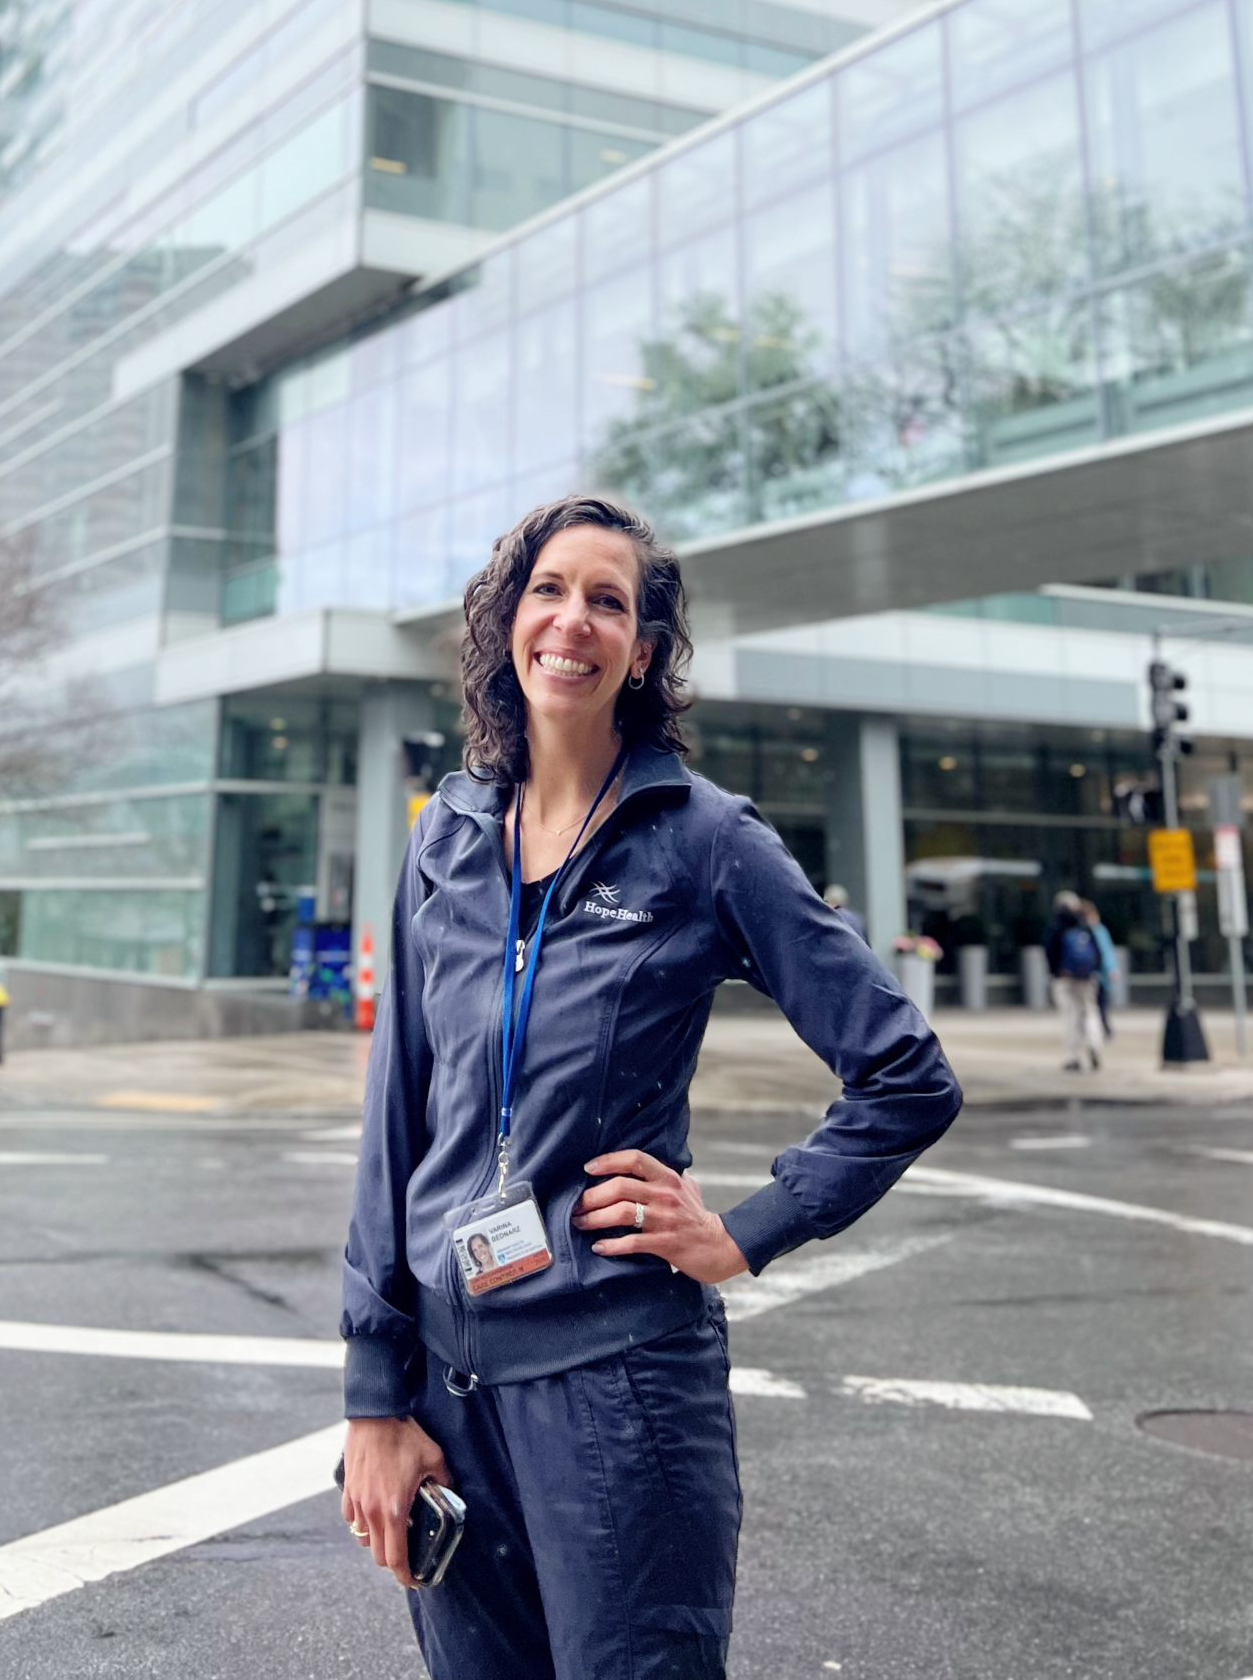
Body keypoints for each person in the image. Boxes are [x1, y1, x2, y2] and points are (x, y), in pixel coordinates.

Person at [339, 495, 962, 1679]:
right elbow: (394, 1126)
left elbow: (903, 1075)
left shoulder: (705, 841)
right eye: (548, 589)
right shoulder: (447, 840)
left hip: (619, 1395)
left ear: (641, 649)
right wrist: (377, 1398)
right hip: (450, 1395)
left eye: (608, 601)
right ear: (505, 620)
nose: (571, 621)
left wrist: (741, 1231)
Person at [1047, 890, 1103, 1072]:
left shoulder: (1056, 926)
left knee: (1070, 1015)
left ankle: (1073, 1056)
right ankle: (1095, 1045)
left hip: (1065, 978)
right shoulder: (1084, 926)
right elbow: (1097, 952)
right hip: (1087, 977)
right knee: (1090, 1012)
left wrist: (1055, 972)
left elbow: (1050, 952)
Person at [1080, 899, 1116, 1042]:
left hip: (1088, 975)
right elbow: (1106, 952)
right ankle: (1102, 1031)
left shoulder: (1083, 931)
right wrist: (1111, 969)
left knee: (1094, 1006)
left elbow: (1106, 952)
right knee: (1098, 1005)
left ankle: (1101, 1030)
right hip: (1095, 975)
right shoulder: (1096, 931)